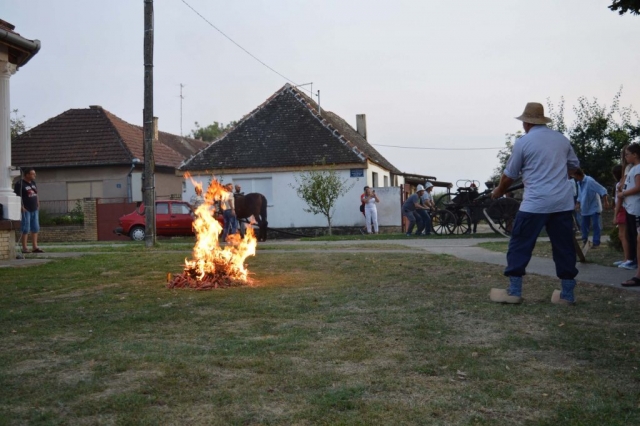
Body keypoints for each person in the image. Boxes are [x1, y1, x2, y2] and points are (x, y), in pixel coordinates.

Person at [490, 102, 580, 305]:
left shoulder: (524, 142)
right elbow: (574, 166)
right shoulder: (562, 140)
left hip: (535, 203)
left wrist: (498, 191)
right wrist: (557, 176)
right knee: (564, 246)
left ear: (526, 123)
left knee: (520, 243)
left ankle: (514, 291)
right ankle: (567, 295)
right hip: (562, 203)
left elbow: (509, 176)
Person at [571, 168, 610, 248]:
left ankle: (596, 243)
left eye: (575, 176)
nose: (574, 178)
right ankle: (584, 241)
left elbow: (603, 190)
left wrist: (606, 202)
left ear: (578, 175)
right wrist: (578, 203)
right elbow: (580, 195)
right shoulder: (579, 183)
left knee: (596, 225)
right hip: (585, 207)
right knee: (584, 225)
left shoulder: (590, 181)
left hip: (594, 207)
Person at [618, 143, 640, 285]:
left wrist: (623, 193)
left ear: (635, 154)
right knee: (636, 239)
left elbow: (638, 187)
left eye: (628, 154)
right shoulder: (633, 168)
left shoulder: (638, 168)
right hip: (632, 207)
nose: (626, 157)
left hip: (637, 208)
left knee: (637, 239)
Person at [13, 167, 44, 253]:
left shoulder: (33, 183)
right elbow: (17, 196)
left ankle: (35, 247)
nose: (35, 175)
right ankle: (25, 248)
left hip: (34, 209)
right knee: (25, 228)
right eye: (32, 174)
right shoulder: (20, 184)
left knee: (35, 227)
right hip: (26, 209)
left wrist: (38, 202)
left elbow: (36, 193)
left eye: (34, 173)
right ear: (27, 175)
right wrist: (20, 207)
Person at [612, 164, 632, 267]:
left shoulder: (620, 184)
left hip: (621, 209)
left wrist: (615, 214)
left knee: (623, 235)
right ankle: (626, 258)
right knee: (624, 235)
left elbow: (619, 199)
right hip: (623, 209)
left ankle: (627, 258)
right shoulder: (623, 183)